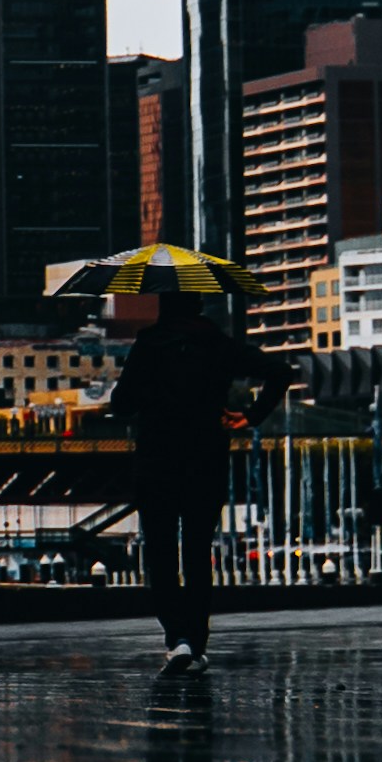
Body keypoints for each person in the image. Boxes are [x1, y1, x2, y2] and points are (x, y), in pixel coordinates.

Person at [106, 280, 267, 671]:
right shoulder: (219, 344)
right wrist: (251, 415)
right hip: (205, 459)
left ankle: (176, 638)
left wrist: (150, 394)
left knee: (161, 552)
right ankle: (196, 642)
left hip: (157, 461)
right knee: (197, 552)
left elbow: (121, 403)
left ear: (163, 304)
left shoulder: (149, 344)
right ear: (198, 304)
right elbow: (279, 371)